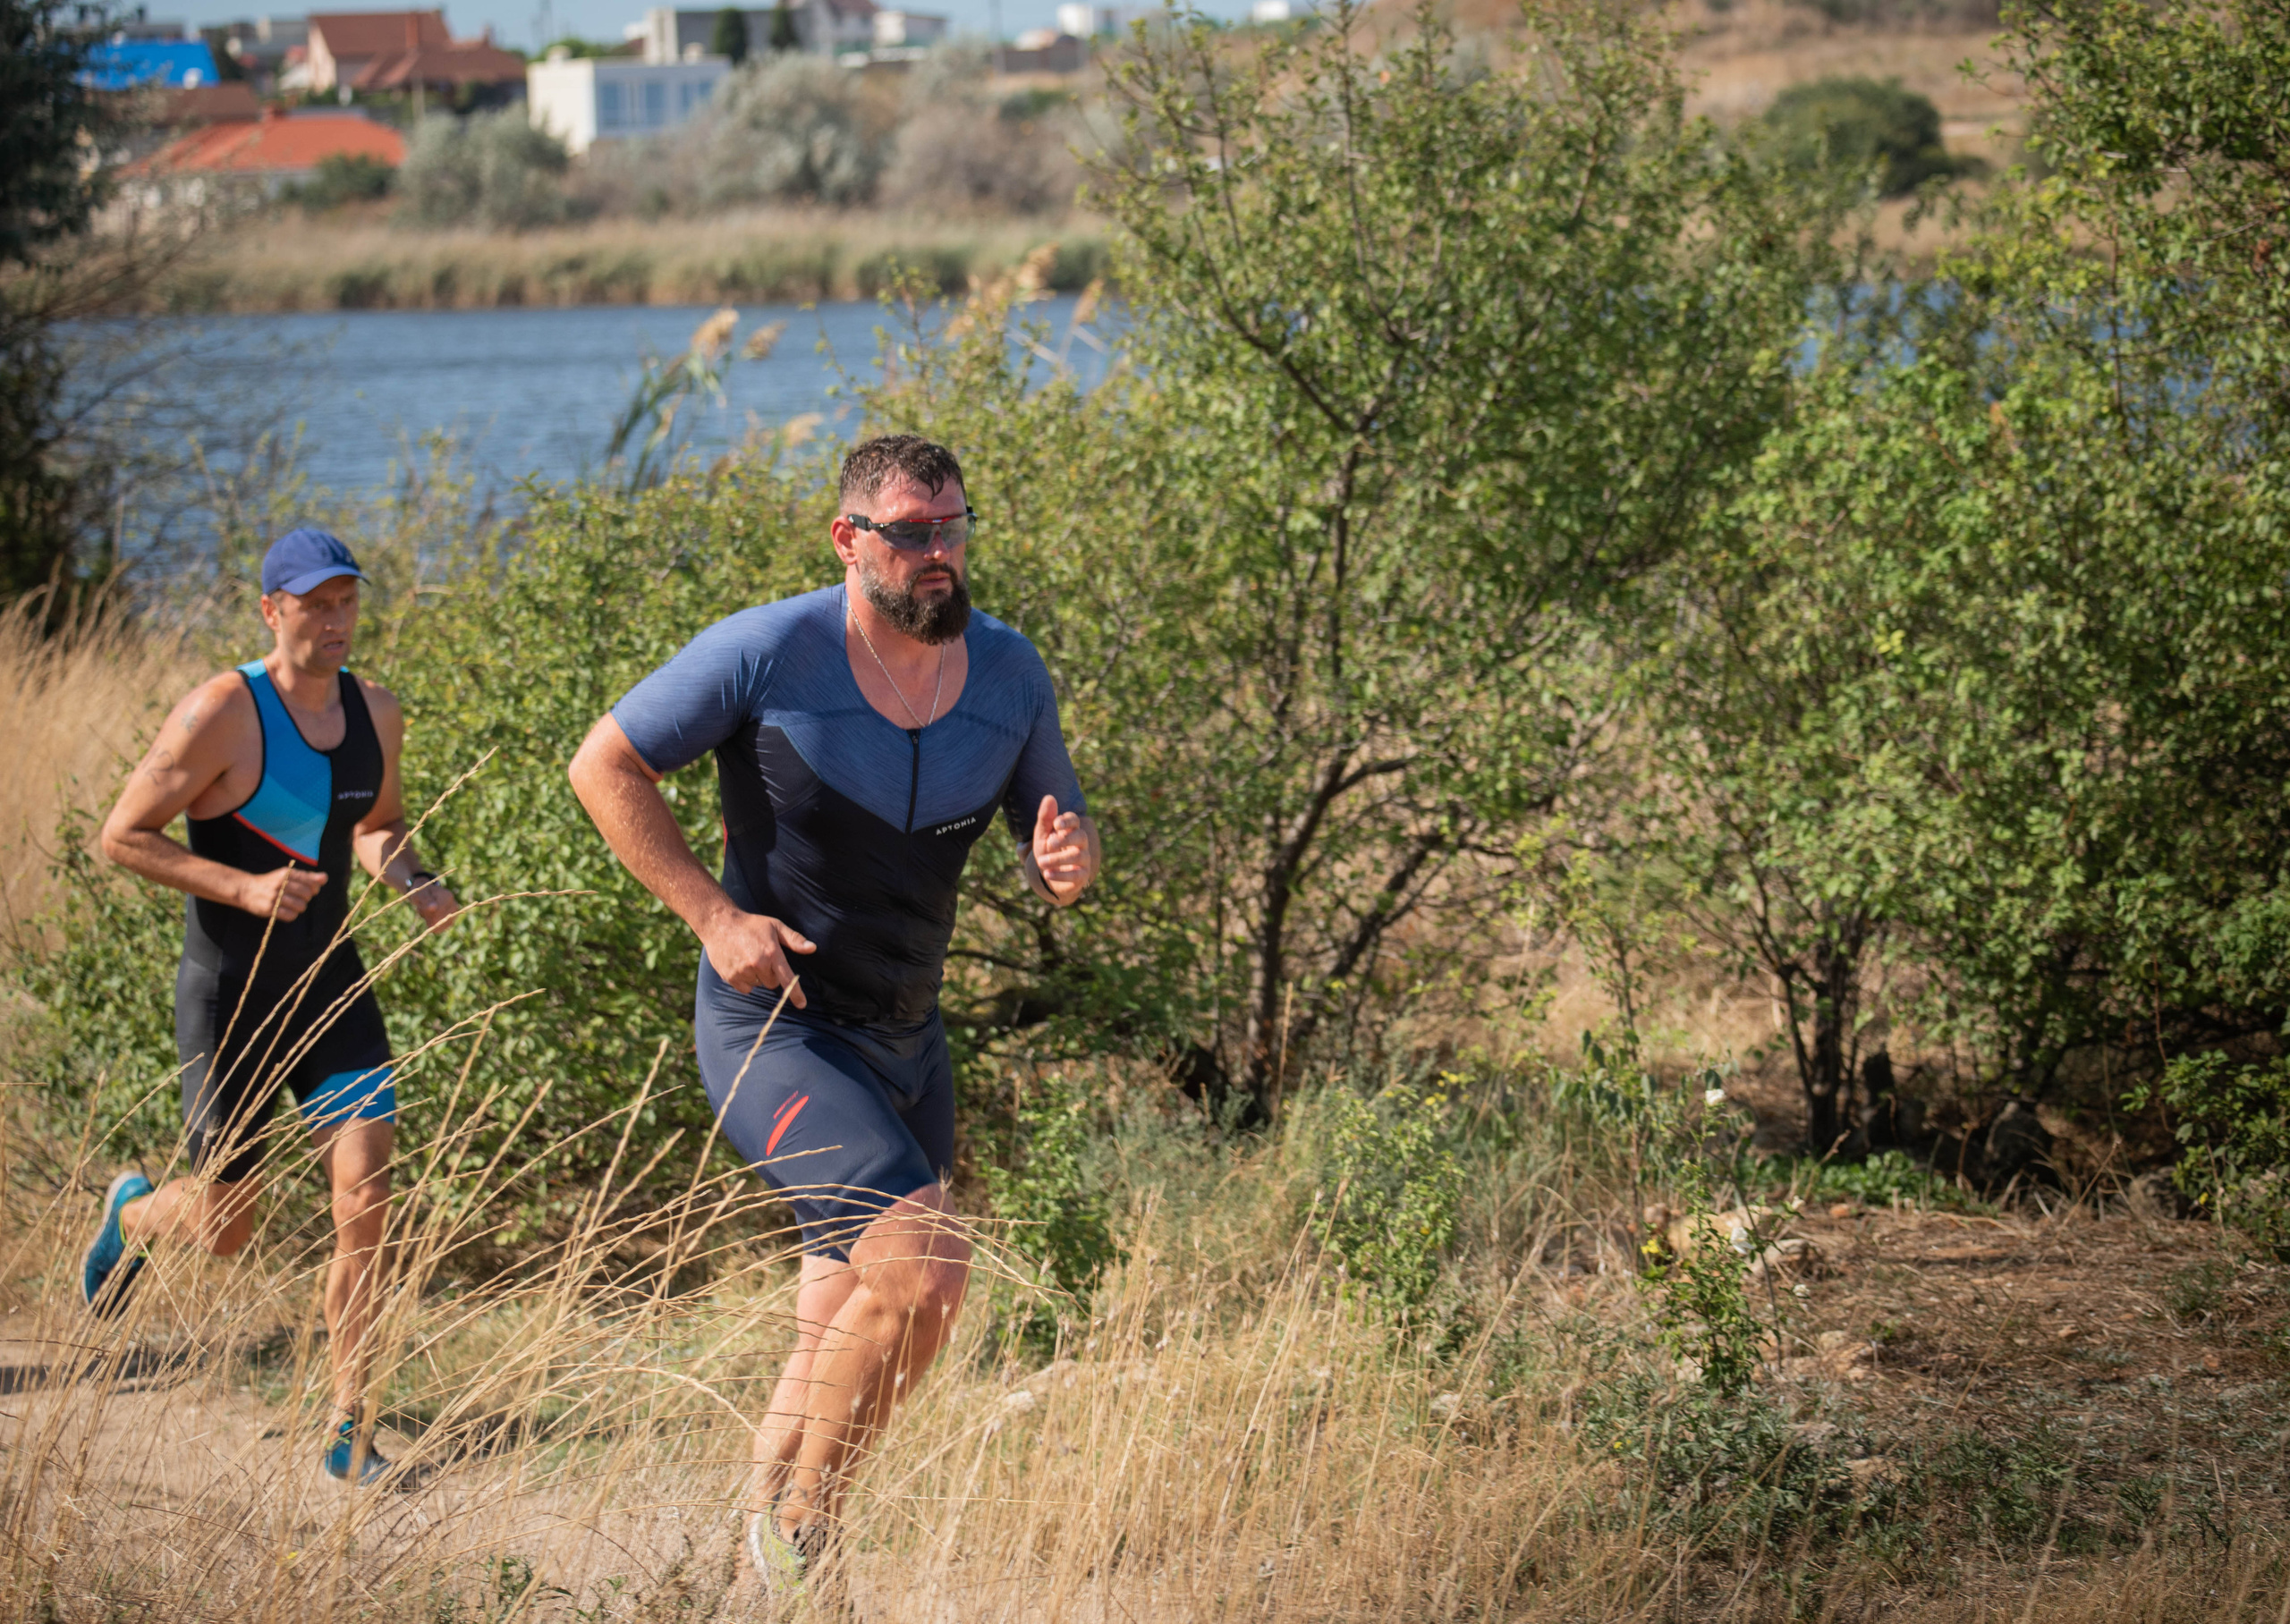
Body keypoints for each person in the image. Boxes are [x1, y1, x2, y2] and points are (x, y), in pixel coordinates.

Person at [568, 434, 1099, 1599]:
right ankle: (812, 1529)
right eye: (911, 533)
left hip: (910, 1041)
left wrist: (1068, 859)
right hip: (779, 1029)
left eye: (953, 527)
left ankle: (752, 1568)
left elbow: (1063, 833)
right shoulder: (767, 652)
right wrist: (712, 915)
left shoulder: (1009, 672)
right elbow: (603, 765)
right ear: (848, 540)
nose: (939, 554)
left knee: (834, 1333)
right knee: (928, 1272)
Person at [78, 528, 461, 1486]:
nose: (335, 621)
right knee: (226, 1225)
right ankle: (135, 1215)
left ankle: (347, 1424)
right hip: (231, 994)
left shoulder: (376, 709)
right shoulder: (223, 709)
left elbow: (375, 827)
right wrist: (242, 889)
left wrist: (414, 880)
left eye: (347, 603)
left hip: (330, 983)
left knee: (366, 1202)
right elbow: (121, 836)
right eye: (314, 604)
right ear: (271, 609)